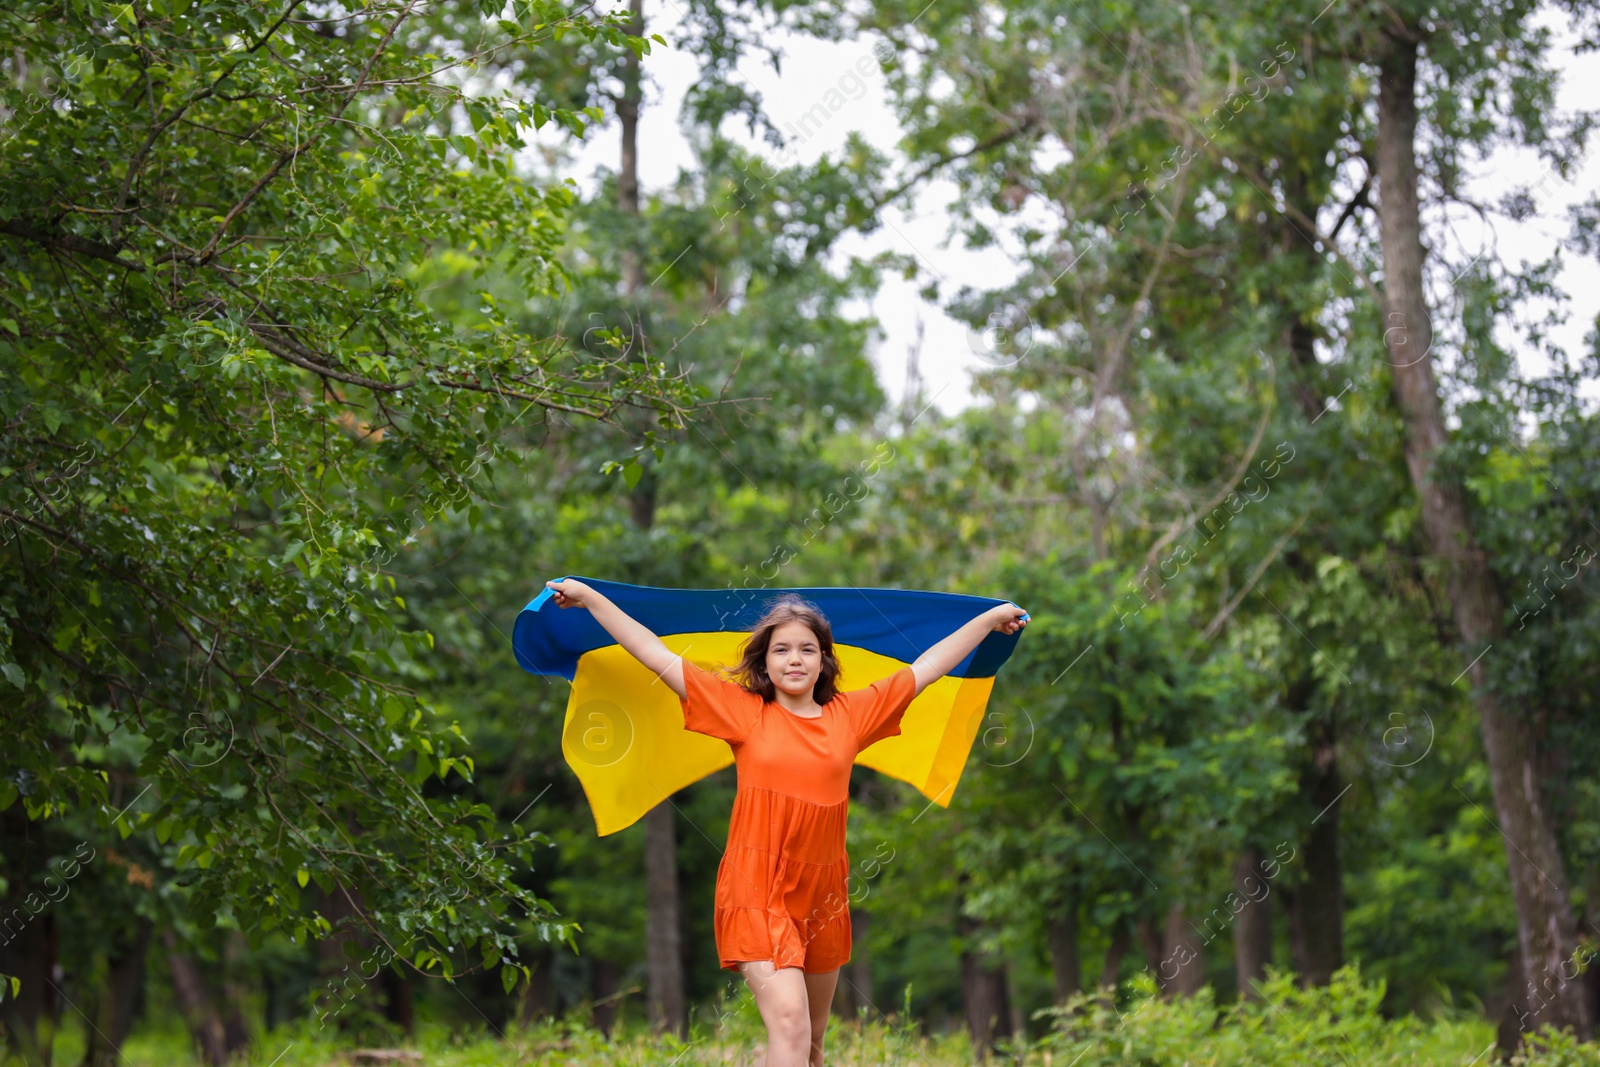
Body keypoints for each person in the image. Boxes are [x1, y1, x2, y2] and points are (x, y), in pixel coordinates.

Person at [543, 578, 1028, 1067]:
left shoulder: (852, 715)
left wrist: (988, 621)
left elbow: (928, 666)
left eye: (806, 650)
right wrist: (590, 599)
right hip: (757, 889)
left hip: (824, 896)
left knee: (812, 1045)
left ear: (824, 661)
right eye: (781, 650)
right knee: (791, 1024)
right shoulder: (740, 712)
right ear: (766, 661)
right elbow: (653, 652)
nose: (794, 659)